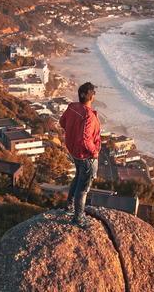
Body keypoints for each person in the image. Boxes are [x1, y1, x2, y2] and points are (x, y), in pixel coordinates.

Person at [59, 81, 101, 229]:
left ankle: (69, 207)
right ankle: (78, 218)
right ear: (91, 96)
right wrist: (94, 152)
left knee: (78, 178)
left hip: (74, 151)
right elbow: (85, 139)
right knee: (83, 187)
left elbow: (62, 122)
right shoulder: (88, 115)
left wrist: (72, 131)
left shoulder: (72, 107)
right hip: (86, 155)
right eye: (93, 93)